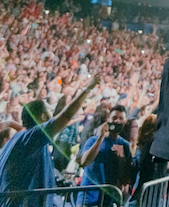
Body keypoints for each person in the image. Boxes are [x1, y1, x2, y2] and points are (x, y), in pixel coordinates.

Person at [0, 74, 99, 207]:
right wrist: (88, 88)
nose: (52, 117)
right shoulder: (33, 136)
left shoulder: (22, 138)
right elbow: (66, 116)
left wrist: (11, 123)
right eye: (49, 114)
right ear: (42, 117)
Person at [77, 106, 133, 207]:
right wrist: (101, 137)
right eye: (115, 118)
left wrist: (122, 159)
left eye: (121, 118)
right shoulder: (93, 140)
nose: (118, 121)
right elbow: (84, 162)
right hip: (88, 198)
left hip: (109, 200)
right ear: (108, 119)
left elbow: (125, 178)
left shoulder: (125, 145)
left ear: (125, 122)